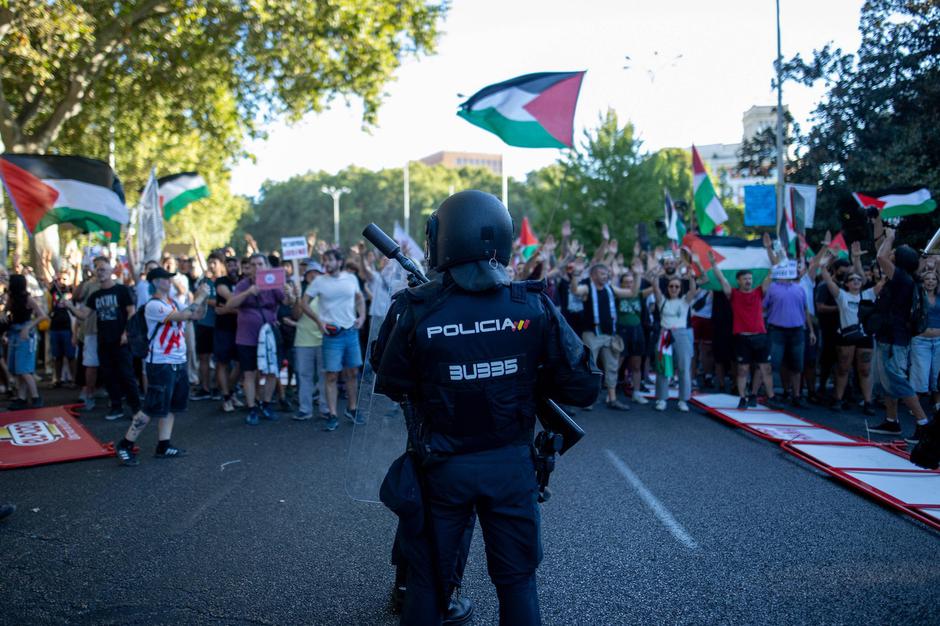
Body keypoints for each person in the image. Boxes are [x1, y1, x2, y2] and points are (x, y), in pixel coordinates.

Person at [372, 190, 599, 626]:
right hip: (512, 467)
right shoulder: (531, 305)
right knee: (517, 582)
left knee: (427, 584)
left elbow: (391, 380)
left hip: (442, 468)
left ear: (443, 239)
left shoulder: (418, 310)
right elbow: (582, 386)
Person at [114, 268, 210, 466]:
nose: (170, 281)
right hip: (161, 363)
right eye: (166, 279)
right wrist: (199, 297)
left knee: (171, 406)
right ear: (156, 282)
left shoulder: (173, 302)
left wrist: (205, 297)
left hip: (177, 361)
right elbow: (183, 316)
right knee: (151, 406)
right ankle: (125, 444)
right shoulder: (153, 306)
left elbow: (196, 314)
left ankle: (163, 445)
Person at [869, 227, 931, 442]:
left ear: (901, 260)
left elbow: (880, 256)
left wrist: (891, 236)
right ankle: (892, 421)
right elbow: (883, 255)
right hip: (891, 336)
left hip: (895, 339)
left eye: (896, 251)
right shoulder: (904, 278)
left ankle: (924, 424)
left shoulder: (902, 278)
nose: (891, 252)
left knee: (897, 380)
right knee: (888, 381)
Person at [710, 233, 781, 410]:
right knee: (743, 369)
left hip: (760, 336)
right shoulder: (733, 294)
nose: (748, 281)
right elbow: (721, 279)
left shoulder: (759, 291)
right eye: (745, 279)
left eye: (750, 278)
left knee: (764, 368)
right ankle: (742, 397)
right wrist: (713, 264)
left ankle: (766, 396)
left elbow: (774, 268)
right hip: (742, 337)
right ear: (739, 281)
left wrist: (768, 248)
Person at [66, 257, 140, 421]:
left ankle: (136, 408)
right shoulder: (95, 295)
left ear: (111, 271)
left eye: (104, 270)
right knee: (108, 374)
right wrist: (70, 306)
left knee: (127, 374)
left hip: (120, 340)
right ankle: (116, 407)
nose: (101, 273)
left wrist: (126, 333)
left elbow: (131, 312)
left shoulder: (122, 290)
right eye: (98, 270)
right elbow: (84, 315)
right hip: (103, 340)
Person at [303, 248, 366, 431]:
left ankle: (352, 408)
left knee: (352, 373)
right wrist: (318, 321)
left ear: (339, 262)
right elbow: (303, 302)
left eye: (330, 260)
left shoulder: (351, 278)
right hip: (332, 335)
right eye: (324, 260)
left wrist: (361, 317)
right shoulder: (319, 281)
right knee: (331, 375)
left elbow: (360, 298)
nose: (327, 263)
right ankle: (332, 414)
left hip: (351, 332)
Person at [225, 253, 291, 425]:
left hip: (269, 336)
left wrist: (292, 293)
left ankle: (266, 403)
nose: (257, 268)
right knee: (249, 373)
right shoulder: (242, 285)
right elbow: (230, 305)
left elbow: (287, 302)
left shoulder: (273, 283)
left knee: (271, 371)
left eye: (260, 264)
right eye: (253, 264)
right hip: (247, 337)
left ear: (267, 266)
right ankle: (252, 407)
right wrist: (248, 292)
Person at [818, 245, 879, 414]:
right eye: (852, 279)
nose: (856, 282)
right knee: (843, 368)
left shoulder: (869, 294)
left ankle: (868, 402)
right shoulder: (841, 295)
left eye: (858, 280)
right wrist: (826, 261)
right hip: (845, 336)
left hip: (865, 337)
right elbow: (826, 277)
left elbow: (885, 279)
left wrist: (858, 259)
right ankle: (838, 399)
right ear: (846, 283)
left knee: (865, 370)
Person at [574, 263, 631, 410]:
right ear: (593, 275)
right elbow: (575, 290)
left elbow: (632, 292)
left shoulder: (610, 288)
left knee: (612, 367)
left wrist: (637, 275)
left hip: (608, 335)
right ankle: (588, 400)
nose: (605, 276)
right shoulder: (587, 288)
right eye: (601, 273)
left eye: (606, 273)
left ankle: (612, 399)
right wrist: (574, 275)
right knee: (589, 368)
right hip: (591, 334)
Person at [763, 260, 817, 407]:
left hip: (797, 331)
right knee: (774, 363)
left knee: (797, 365)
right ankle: (773, 394)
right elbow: (763, 307)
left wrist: (811, 331)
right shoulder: (772, 288)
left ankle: (796, 395)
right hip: (777, 330)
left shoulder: (800, 288)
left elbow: (805, 311)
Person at [649, 266, 698, 412]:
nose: (674, 288)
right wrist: (657, 276)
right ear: (668, 287)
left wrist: (692, 279)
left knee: (684, 368)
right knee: (663, 368)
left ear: (680, 288)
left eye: (677, 286)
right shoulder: (662, 301)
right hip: (665, 335)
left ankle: (683, 400)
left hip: (682, 334)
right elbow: (656, 288)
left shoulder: (684, 301)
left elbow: (693, 291)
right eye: (671, 286)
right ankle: (662, 399)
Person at [6, 274, 49, 409]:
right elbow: (6, 311)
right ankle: (21, 397)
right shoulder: (11, 298)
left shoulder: (28, 299)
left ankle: (36, 396)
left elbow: (42, 315)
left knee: (24, 369)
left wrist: (28, 326)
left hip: (25, 335)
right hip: (13, 333)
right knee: (17, 368)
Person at [293, 263, 328, 420]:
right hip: (303, 341)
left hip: (324, 340)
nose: (313, 276)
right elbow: (296, 315)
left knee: (324, 376)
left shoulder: (327, 293)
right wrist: (297, 298)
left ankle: (325, 408)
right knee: (304, 376)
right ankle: (305, 409)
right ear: (306, 277)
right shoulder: (302, 293)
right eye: (310, 274)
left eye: (317, 273)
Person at [191, 253, 223, 401]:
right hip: (204, 323)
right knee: (203, 357)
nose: (211, 265)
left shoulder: (223, 281)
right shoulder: (204, 281)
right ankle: (205, 388)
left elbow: (220, 302)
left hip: (219, 325)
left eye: (214, 263)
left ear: (221, 264)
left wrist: (209, 300)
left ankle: (217, 387)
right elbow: (198, 297)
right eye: (209, 262)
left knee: (219, 359)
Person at [214, 256, 242, 412]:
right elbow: (233, 299)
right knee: (223, 363)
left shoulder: (244, 281)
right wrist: (239, 308)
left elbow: (235, 304)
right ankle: (225, 396)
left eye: (235, 263)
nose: (232, 267)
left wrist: (227, 309)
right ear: (225, 266)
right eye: (229, 264)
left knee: (241, 364)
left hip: (241, 329)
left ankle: (230, 393)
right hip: (224, 329)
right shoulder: (221, 282)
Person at [615, 269, 647, 405]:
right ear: (621, 284)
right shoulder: (617, 295)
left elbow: (656, 289)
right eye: (626, 282)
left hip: (637, 331)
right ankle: (611, 393)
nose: (629, 284)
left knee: (636, 364)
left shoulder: (639, 294)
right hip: (621, 331)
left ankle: (637, 393)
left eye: (631, 282)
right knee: (617, 363)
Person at [910, 269, 940, 412]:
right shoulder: (917, 296)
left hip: (939, 341)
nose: (930, 281)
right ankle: (915, 407)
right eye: (927, 279)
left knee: (937, 374)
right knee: (919, 375)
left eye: (933, 279)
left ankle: (938, 404)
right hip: (921, 341)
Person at [47, 270, 76, 387]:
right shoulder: (53, 290)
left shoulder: (71, 290)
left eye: (64, 279)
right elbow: (47, 277)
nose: (61, 281)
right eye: (59, 279)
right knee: (57, 356)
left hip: (67, 327)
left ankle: (74, 380)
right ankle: (57, 379)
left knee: (70, 356)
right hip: (55, 327)